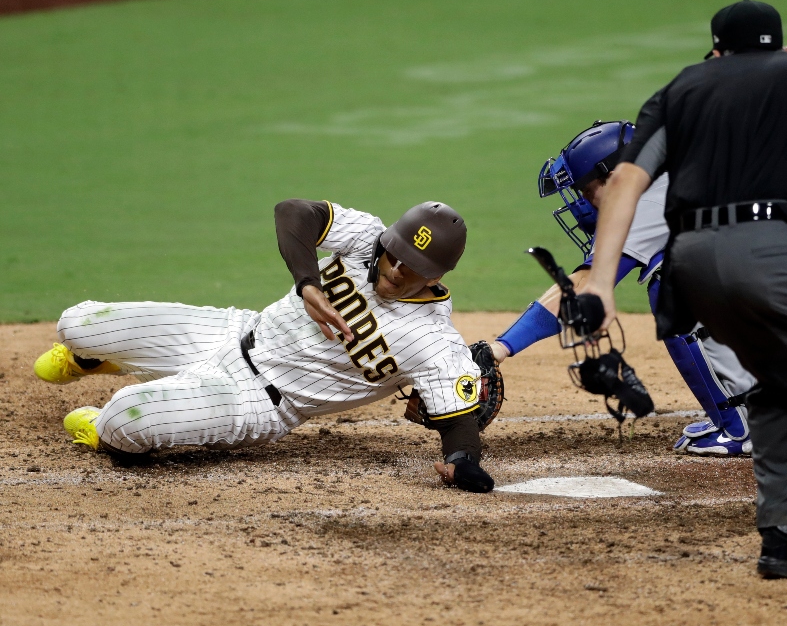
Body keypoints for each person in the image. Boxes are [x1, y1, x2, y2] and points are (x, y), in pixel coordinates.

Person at [584, 0, 787, 578]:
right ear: (781, 46)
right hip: (781, 251)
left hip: (695, 268)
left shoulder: (680, 89)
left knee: (784, 381)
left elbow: (626, 179)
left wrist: (601, 284)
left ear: (717, 51)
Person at [490, 120, 787, 457]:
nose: (582, 204)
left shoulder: (645, 197)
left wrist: (502, 347)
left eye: (585, 190)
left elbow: (584, 286)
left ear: (612, 175)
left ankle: (743, 425)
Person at [33, 199, 495, 493]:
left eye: (412, 267)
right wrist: (308, 283)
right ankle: (94, 360)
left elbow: (458, 426)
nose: (394, 269)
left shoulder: (435, 343)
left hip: (255, 400)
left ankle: (103, 425)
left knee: (125, 417)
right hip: (232, 331)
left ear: (436, 275)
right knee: (76, 323)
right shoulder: (364, 239)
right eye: (394, 254)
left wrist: (463, 464)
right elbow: (294, 212)